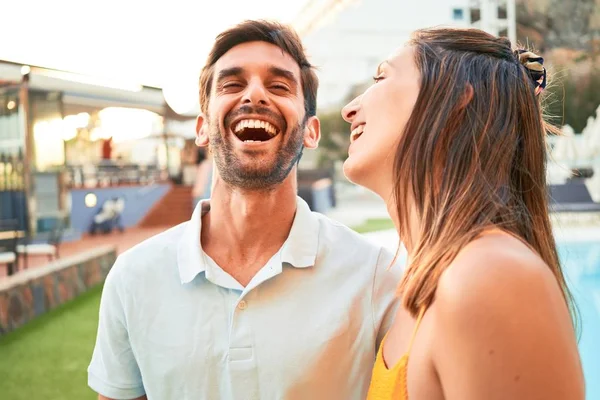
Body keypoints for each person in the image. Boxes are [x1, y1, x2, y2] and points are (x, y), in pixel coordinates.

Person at [88, 20, 403, 400]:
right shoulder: (133, 277)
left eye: (279, 86)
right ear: (202, 128)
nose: (254, 95)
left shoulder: (377, 278)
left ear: (311, 131)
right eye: (232, 84)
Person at [341, 27, 585, 400]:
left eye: (381, 77)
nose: (349, 109)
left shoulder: (490, 276)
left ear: (454, 103)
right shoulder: (429, 284)